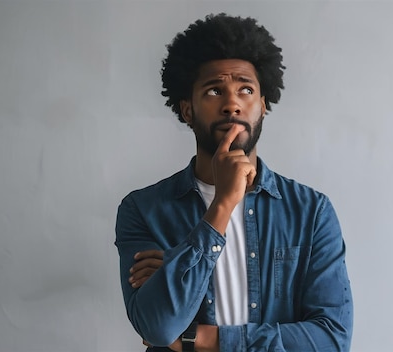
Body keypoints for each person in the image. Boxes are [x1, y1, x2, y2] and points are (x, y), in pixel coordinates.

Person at [115, 13, 353, 352]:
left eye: (246, 89)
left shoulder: (311, 212)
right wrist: (223, 204)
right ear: (187, 109)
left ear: (263, 106)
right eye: (214, 90)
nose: (231, 104)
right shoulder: (144, 209)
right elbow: (159, 326)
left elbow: (331, 339)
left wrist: (200, 339)